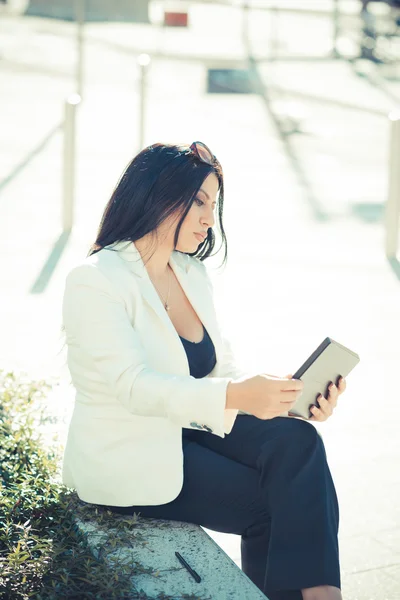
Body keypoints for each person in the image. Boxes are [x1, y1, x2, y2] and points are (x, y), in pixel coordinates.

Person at [61, 141, 347, 600]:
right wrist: (237, 396)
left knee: (299, 440)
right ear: (155, 193)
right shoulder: (96, 279)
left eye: (212, 204)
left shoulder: (189, 272)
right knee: (278, 505)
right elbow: (132, 387)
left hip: (190, 430)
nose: (208, 218)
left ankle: (320, 595)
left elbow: (221, 372)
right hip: (131, 456)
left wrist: (281, 402)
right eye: (198, 201)